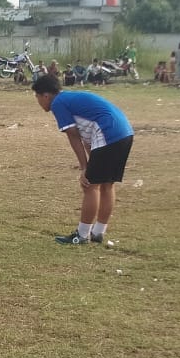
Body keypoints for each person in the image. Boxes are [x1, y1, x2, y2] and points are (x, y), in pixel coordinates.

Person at [31, 74, 134, 245]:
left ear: (45, 95)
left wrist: (84, 168)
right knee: (107, 184)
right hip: (124, 133)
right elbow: (88, 139)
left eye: (37, 97)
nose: (38, 102)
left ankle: (82, 235)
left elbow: (73, 136)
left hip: (108, 133)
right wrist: (91, 162)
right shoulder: (70, 98)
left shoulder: (58, 103)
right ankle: (98, 232)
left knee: (90, 185)